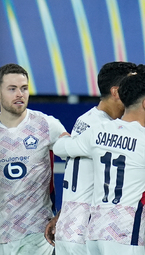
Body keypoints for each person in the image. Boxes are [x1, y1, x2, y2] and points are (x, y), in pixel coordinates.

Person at [52, 64, 145, 255]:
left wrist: (63, 137)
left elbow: (61, 148)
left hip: (91, 231)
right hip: (123, 234)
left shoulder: (95, 129)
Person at [44, 61, 138, 254]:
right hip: (87, 234)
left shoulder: (84, 119)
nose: (137, 92)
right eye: (132, 87)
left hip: (68, 228)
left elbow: (82, 179)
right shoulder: (107, 130)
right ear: (116, 92)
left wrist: (62, 213)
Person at [0, 63, 66, 255]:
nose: (19, 94)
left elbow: (79, 163)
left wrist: (64, 213)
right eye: (12, 89)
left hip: (36, 236)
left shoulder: (47, 125)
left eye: (24, 88)